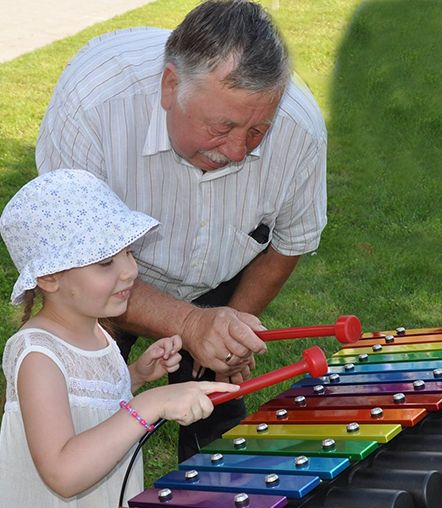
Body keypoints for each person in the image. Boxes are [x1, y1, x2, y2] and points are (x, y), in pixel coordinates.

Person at [36, 0, 328, 461]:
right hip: (98, 273)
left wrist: (225, 333)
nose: (237, 151)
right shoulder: (95, 104)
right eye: (222, 127)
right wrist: (189, 323)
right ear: (170, 86)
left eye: (257, 132)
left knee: (224, 453)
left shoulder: (299, 131)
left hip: (224, 272)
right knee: (69, 425)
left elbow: (288, 244)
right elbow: (74, 265)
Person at [0, 169, 240, 508]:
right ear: (51, 278)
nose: (130, 270)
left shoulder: (96, 334)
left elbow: (82, 404)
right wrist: (150, 403)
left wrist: (134, 377)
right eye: (106, 262)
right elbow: (64, 471)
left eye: (128, 252)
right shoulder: (37, 355)